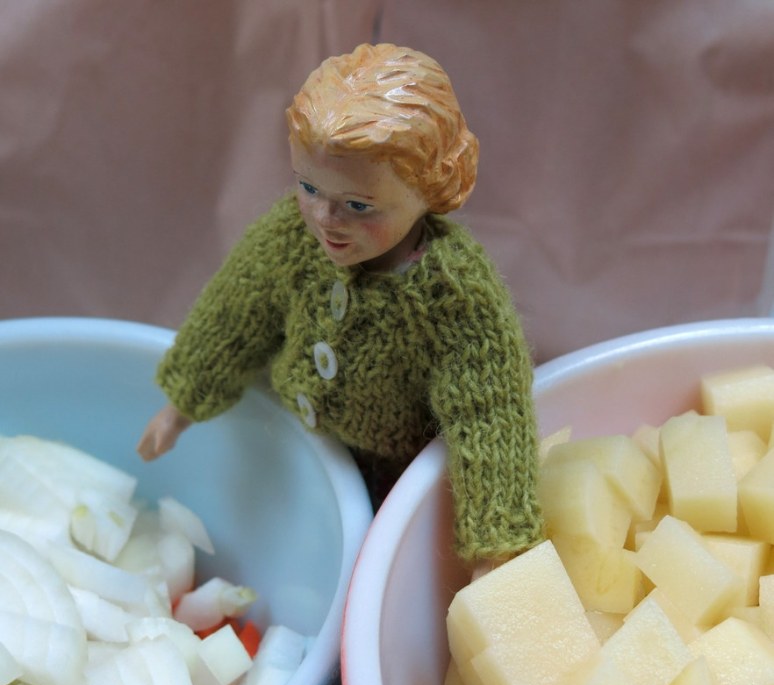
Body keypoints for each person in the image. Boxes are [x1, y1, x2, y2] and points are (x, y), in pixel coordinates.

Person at [137, 42, 544, 574]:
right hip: (286, 434)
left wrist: (495, 545)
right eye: (308, 187)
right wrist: (182, 403)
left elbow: (488, 411)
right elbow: (235, 312)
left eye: (358, 205)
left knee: (373, 564)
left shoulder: (452, 291)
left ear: (431, 186)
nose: (325, 218)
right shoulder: (291, 235)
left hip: (391, 467)